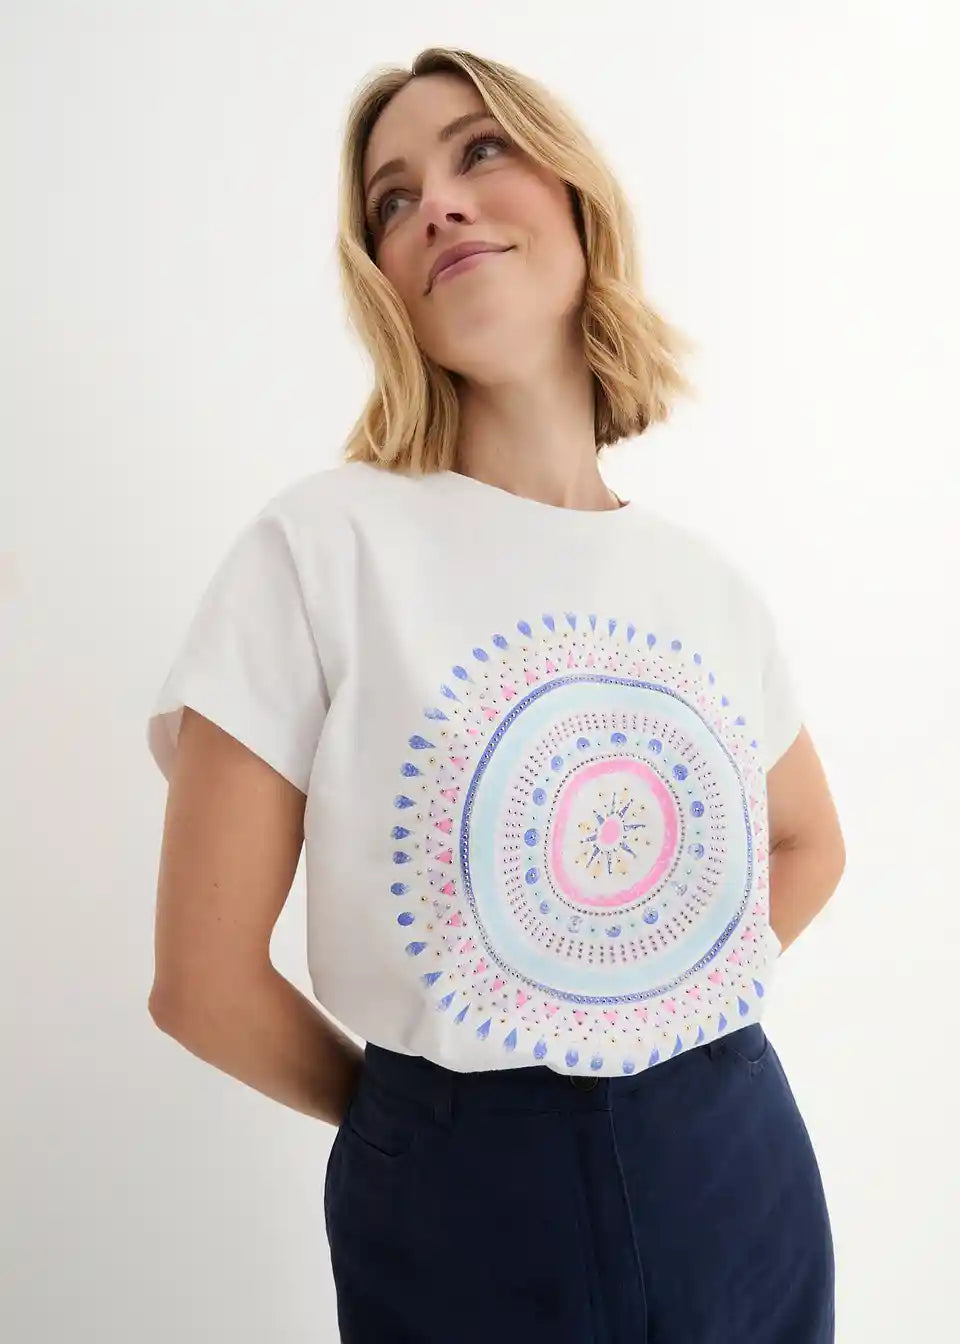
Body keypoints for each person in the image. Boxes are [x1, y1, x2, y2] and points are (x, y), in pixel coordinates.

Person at [146, 45, 844, 1344]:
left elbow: (812, 842)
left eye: (479, 151)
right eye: (393, 200)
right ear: (381, 281)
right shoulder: (321, 550)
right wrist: (423, 1126)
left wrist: (666, 998)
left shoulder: (706, 587)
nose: (440, 207)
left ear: (576, 197)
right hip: (459, 1196)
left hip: (736, 1161)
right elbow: (201, 981)